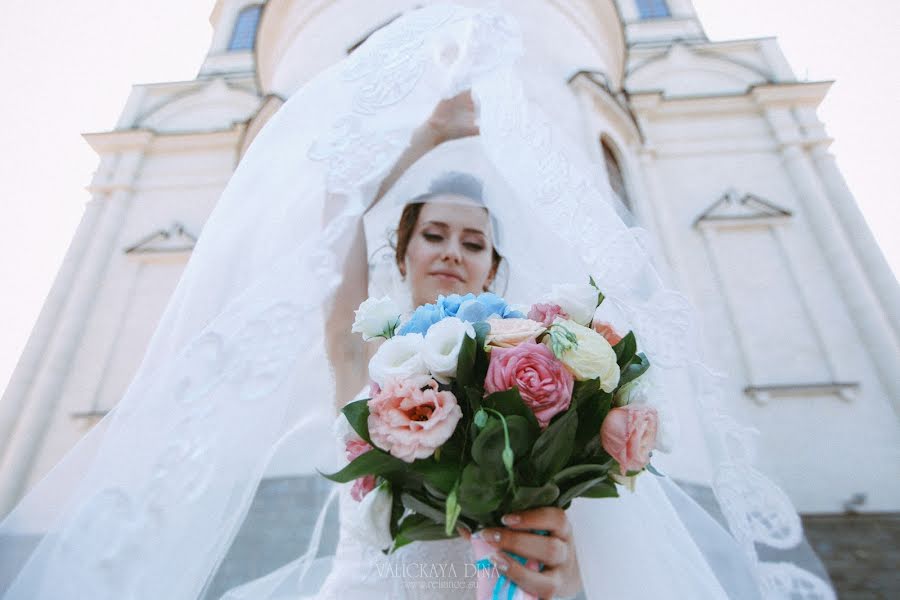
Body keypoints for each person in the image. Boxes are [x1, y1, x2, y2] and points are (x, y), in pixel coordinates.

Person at [0, 5, 834, 600]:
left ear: (493, 267)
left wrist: (560, 572)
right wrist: (427, 135)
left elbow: (565, 524)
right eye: (435, 234)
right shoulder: (365, 353)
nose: (452, 252)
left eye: (473, 243)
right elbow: (336, 215)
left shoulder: (534, 364)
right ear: (403, 253)